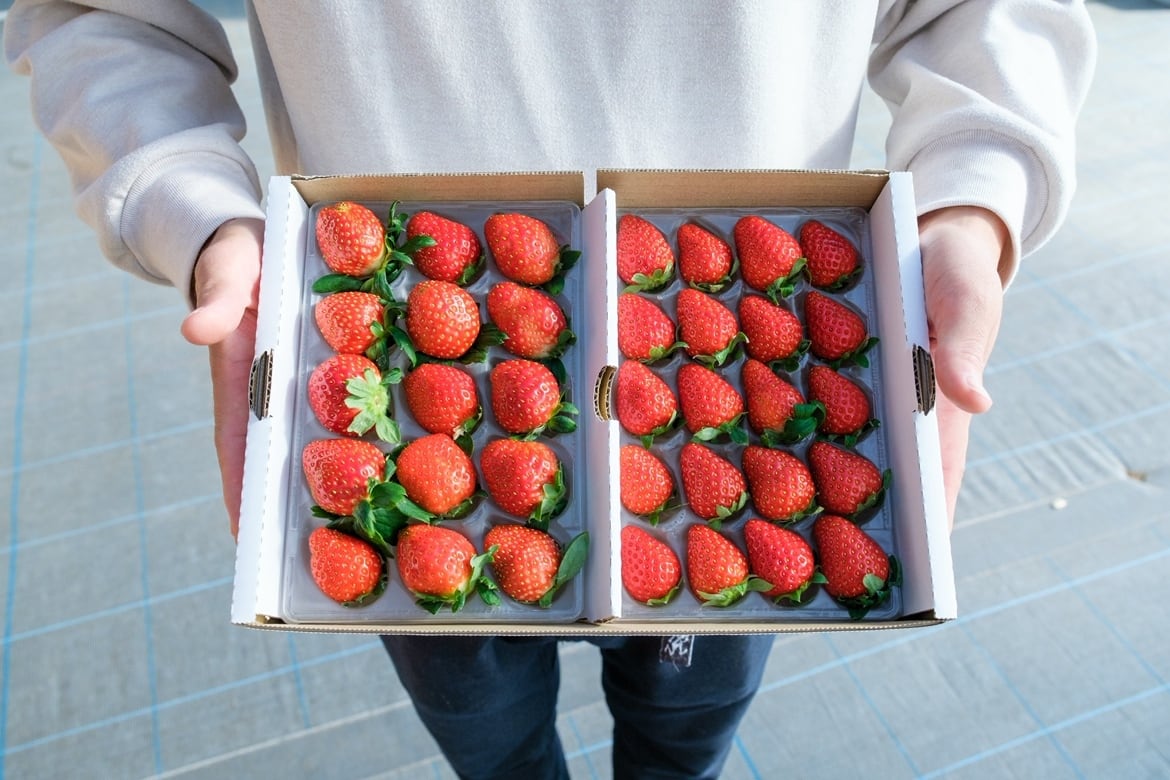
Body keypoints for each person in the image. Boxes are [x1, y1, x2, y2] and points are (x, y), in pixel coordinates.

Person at [4, 2, 1096, 777]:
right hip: (412, 387)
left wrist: (969, 204)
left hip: (694, 398)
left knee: (689, 719)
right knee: (484, 728)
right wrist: (197, 209)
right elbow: (103, 16)